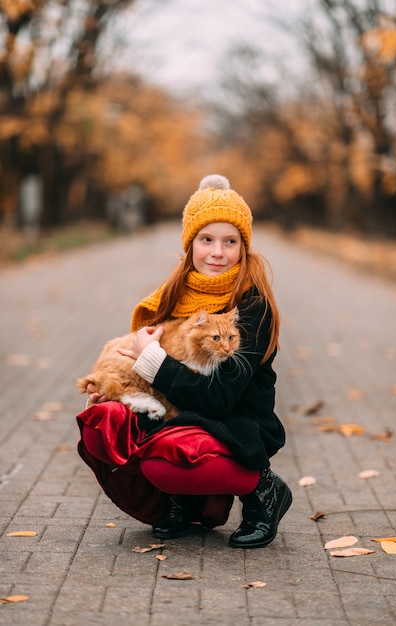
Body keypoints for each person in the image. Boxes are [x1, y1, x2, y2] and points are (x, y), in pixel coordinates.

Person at [76, 174, 292, 549]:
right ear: (190, 243)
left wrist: (152, 362)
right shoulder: (174, 294)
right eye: (206, 239)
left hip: (233, 419)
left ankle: (263, 491)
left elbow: (218, 399)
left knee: (166, 461)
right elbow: (144, 367)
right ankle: (180, 500)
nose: (217, 252)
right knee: (102, 423)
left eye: (230, 241)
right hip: (176, 407)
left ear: (244, 246)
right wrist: (114, 391)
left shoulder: (252, 305)